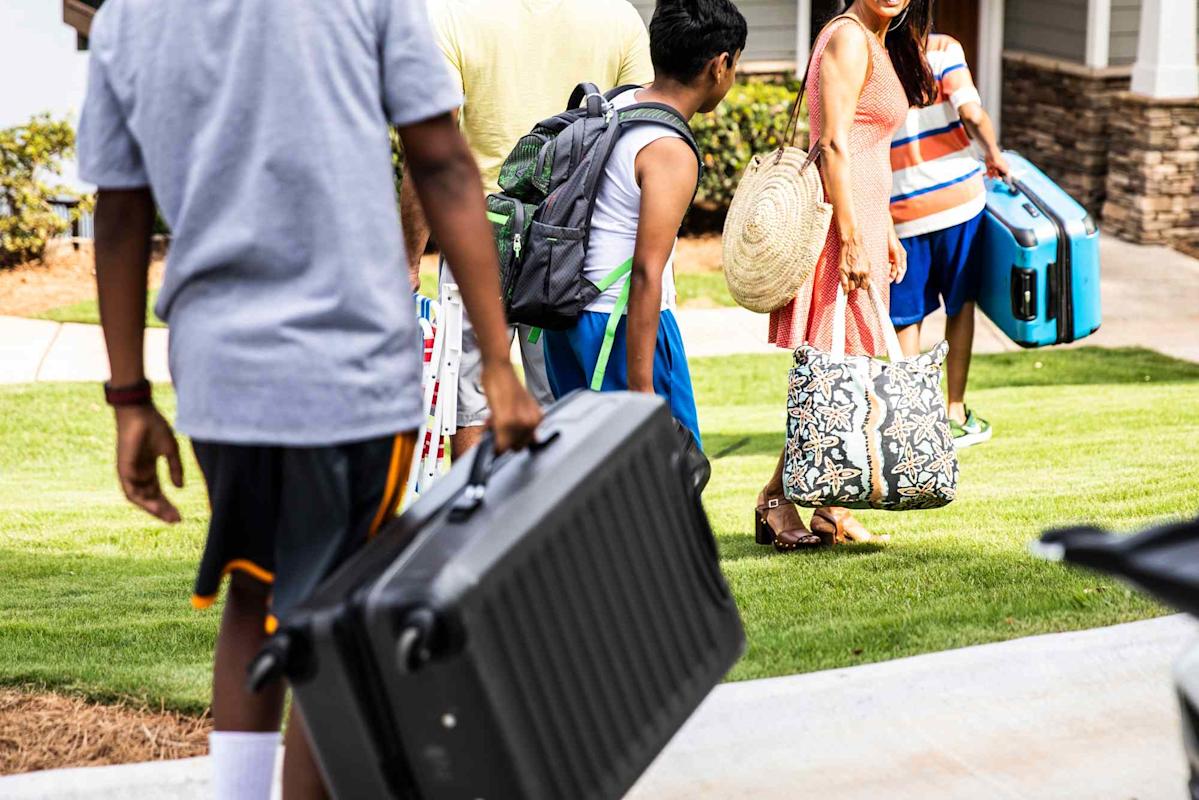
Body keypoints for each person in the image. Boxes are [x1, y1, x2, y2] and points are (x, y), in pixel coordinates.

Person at [77, 0, 542, 797]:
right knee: (337, 614)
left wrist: (129, 397)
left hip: (220, 371)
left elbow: (119, 214)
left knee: (255, 588)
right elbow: (440, 161)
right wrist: (496, 358)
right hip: (349, 361)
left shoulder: (128, 16)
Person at [400, 0, 655, 460]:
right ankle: (555, 526)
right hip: (572, 244)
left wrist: (408, 261)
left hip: (478, 238)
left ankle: (478, 523)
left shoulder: (451, 15)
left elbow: (430, 152)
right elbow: (640, 128)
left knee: (471, 401)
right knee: (558, 401)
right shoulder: (617, 16)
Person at [758, 0, 935, 549]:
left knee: (849, 370)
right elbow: (832, 142)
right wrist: (854, 237)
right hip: (839, 227)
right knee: (833, 369)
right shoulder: (849, 38)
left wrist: (883, 230)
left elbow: (866, 148)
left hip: (863, 219)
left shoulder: (877, 40)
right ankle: (775, 499)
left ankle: (831, 508)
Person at [539, 0, 746, 449]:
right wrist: (641, 389)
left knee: (585, 470)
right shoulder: (669, 148)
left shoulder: (617, 102)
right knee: (665, 474)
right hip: (618, 323)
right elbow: (647, 270)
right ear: (720, 65)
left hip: (566, 316)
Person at [889, 32, 1009, 448]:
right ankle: (955, 411)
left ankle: (907, 420)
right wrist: (993, 153)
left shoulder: (872, 52)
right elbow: (971, 113)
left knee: (908, 316)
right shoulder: (943, 49)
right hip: (958, 199)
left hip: (900, 206)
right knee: (960, 307)